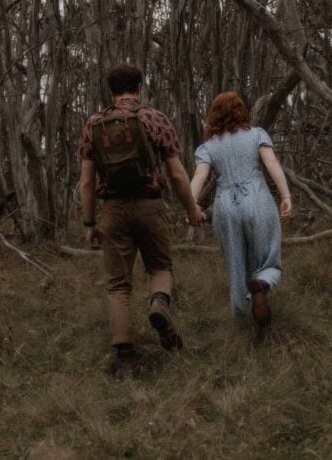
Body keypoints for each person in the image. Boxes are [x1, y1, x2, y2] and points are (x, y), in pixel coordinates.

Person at [78, 63, 207, 377]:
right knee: (160, 266)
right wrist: (191, 209)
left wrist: (89, 224)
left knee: (118, 286)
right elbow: (177, 174)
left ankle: (125, 357)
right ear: (139, 88)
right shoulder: (154, 118)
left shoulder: (94, 124)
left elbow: (86, 182)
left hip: (112, 210)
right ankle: (159, 302)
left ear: (111, 91)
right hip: (150, 207)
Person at [189, 92, 291, 330]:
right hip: (258, 200)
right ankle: (262, 284)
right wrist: (285, 196)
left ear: (214, 115)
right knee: (268, 258)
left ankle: (242, 322)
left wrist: (190, 204)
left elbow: (199, 177)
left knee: (236, 265)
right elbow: (272, 165)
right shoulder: (256, 135)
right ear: (241, 111)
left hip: (226, 206)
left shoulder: (209, 147)